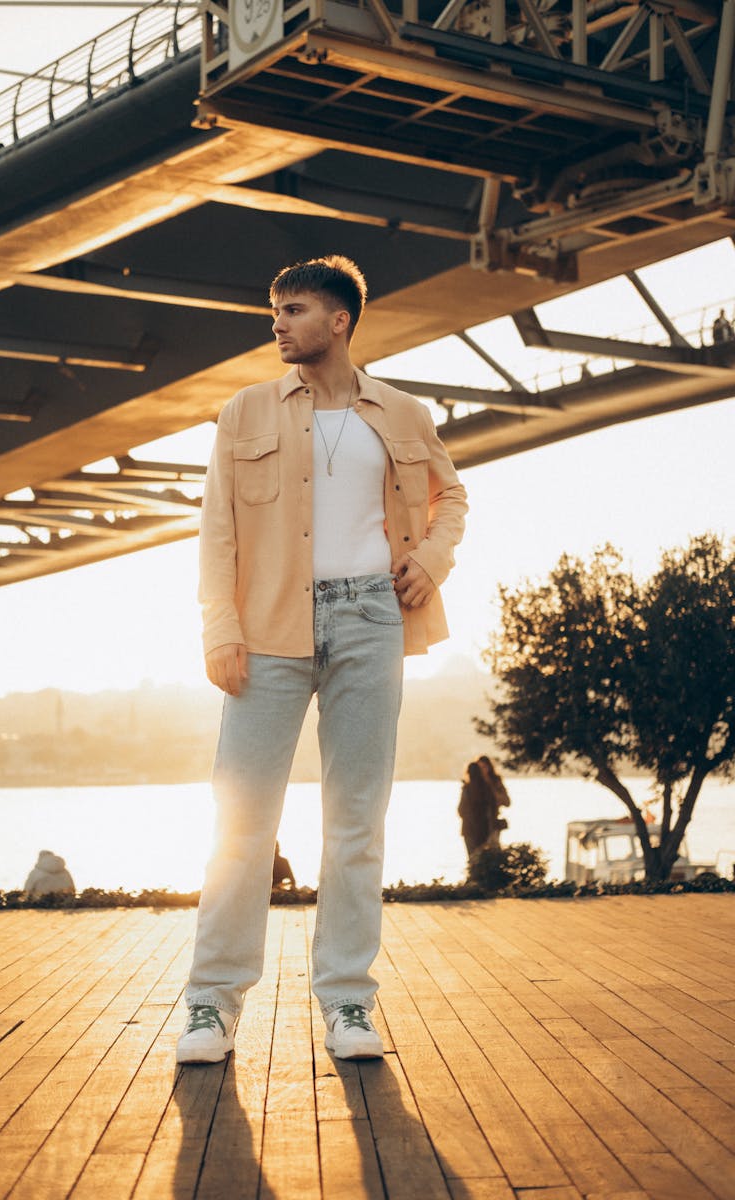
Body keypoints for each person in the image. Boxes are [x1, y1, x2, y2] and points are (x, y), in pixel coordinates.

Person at [178, 255, 467, 1065]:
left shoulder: (403, 414)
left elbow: (454, 498)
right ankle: (211, 1004)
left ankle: (347, 1001)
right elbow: (218, 532)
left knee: (355, 820)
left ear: (339, 321)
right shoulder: (245, 411)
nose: (278, 324)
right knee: (242, 821)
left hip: (373, 616)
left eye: (293, 310)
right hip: (267, 625)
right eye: (275, 310)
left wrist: (431, 561)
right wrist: (219, 629)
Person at [458, 755, 510, 870]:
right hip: (480, 828)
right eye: (480, 768)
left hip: (485, 828)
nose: (483, 771)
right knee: (482, 861)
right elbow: (462, 810)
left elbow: (506, 802)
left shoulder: (493, 784)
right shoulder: (469, 788)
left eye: (484, 767)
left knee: (482, 860)